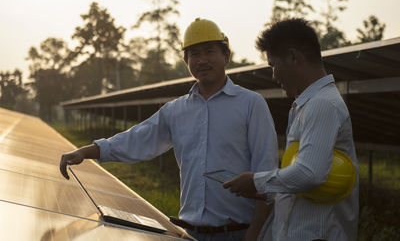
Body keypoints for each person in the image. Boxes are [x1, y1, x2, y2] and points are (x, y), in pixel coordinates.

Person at [59, 18, 278, 241]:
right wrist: (86, 152)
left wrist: (254, 235)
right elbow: (136, 139)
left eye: (209, 51)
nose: (202, 60)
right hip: (188, 233)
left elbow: (266, 173)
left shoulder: (251, 104)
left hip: (239, 234)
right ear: (186, 61)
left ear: (226, 56)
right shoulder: (175, 110)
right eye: (194, 54)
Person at [223, 18, 359, 241]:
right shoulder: (303, 105)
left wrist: (256, 181)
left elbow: (309, 174)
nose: (274, 75)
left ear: (294, 58)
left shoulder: (322, 104)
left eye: (273, 65)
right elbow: (299, 178)